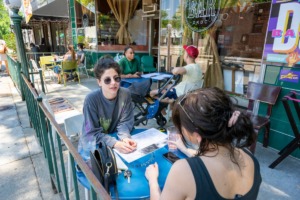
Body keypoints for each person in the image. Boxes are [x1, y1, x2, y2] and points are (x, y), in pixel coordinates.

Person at [145, 87, 262, 200]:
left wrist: (152, 180)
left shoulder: (183, 170)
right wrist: (185, 150)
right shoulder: (250, 158)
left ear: (196, 135)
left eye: (181, 126)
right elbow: (212, 162)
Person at [80, 56, 137, 153]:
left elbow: (126, 122)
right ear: (99, 82)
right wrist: (114, 143)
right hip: (93, 144)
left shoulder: (125, 94)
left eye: (116, 78)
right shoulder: (91, 99)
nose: (113, 83)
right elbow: (91, 132)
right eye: (107, 80)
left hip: (116, 138)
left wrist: (125, 137)